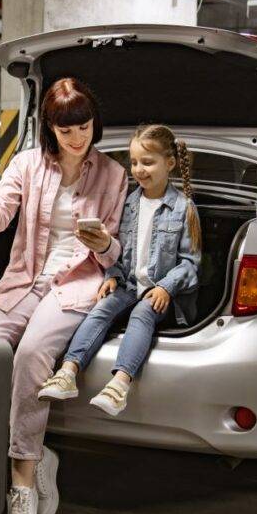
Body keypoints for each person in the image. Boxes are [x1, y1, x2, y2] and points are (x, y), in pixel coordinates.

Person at [0, 78, 128, 514]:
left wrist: (106, 244)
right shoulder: (27, 164)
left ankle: (21, 484)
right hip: (22, 281)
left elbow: (116, 253)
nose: (78, 138)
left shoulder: (114, 175)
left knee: (32, 353)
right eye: (66, 128)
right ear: (50, 128)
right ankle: (40, 458)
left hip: (75, 285)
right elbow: (0, 214)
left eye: (85, 126)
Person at [38, 124, 202, 416]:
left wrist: (165, 287)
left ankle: (120, 384)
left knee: (142, 313)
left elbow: (190, 263)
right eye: (135, 162)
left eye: (148, 162)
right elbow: (118, 250)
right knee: (101, 308)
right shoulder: (129, 203)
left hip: (162, 294)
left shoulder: (183, 208)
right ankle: (67, 372)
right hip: (129, 285)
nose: (139, 169)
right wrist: (112, 275)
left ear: (171, 164)